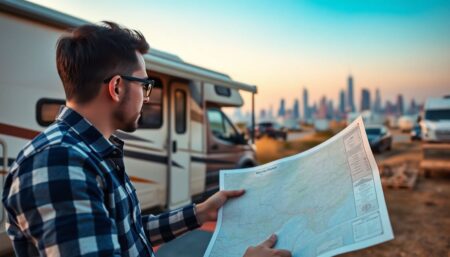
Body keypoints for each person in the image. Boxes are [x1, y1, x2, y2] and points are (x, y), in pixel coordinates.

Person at [2, 22, 291, 257]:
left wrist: (201, 212)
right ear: (117, 87)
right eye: (145, 85)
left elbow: (126, 230)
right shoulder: (59, 162)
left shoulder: (89, 152)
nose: (147, 96)